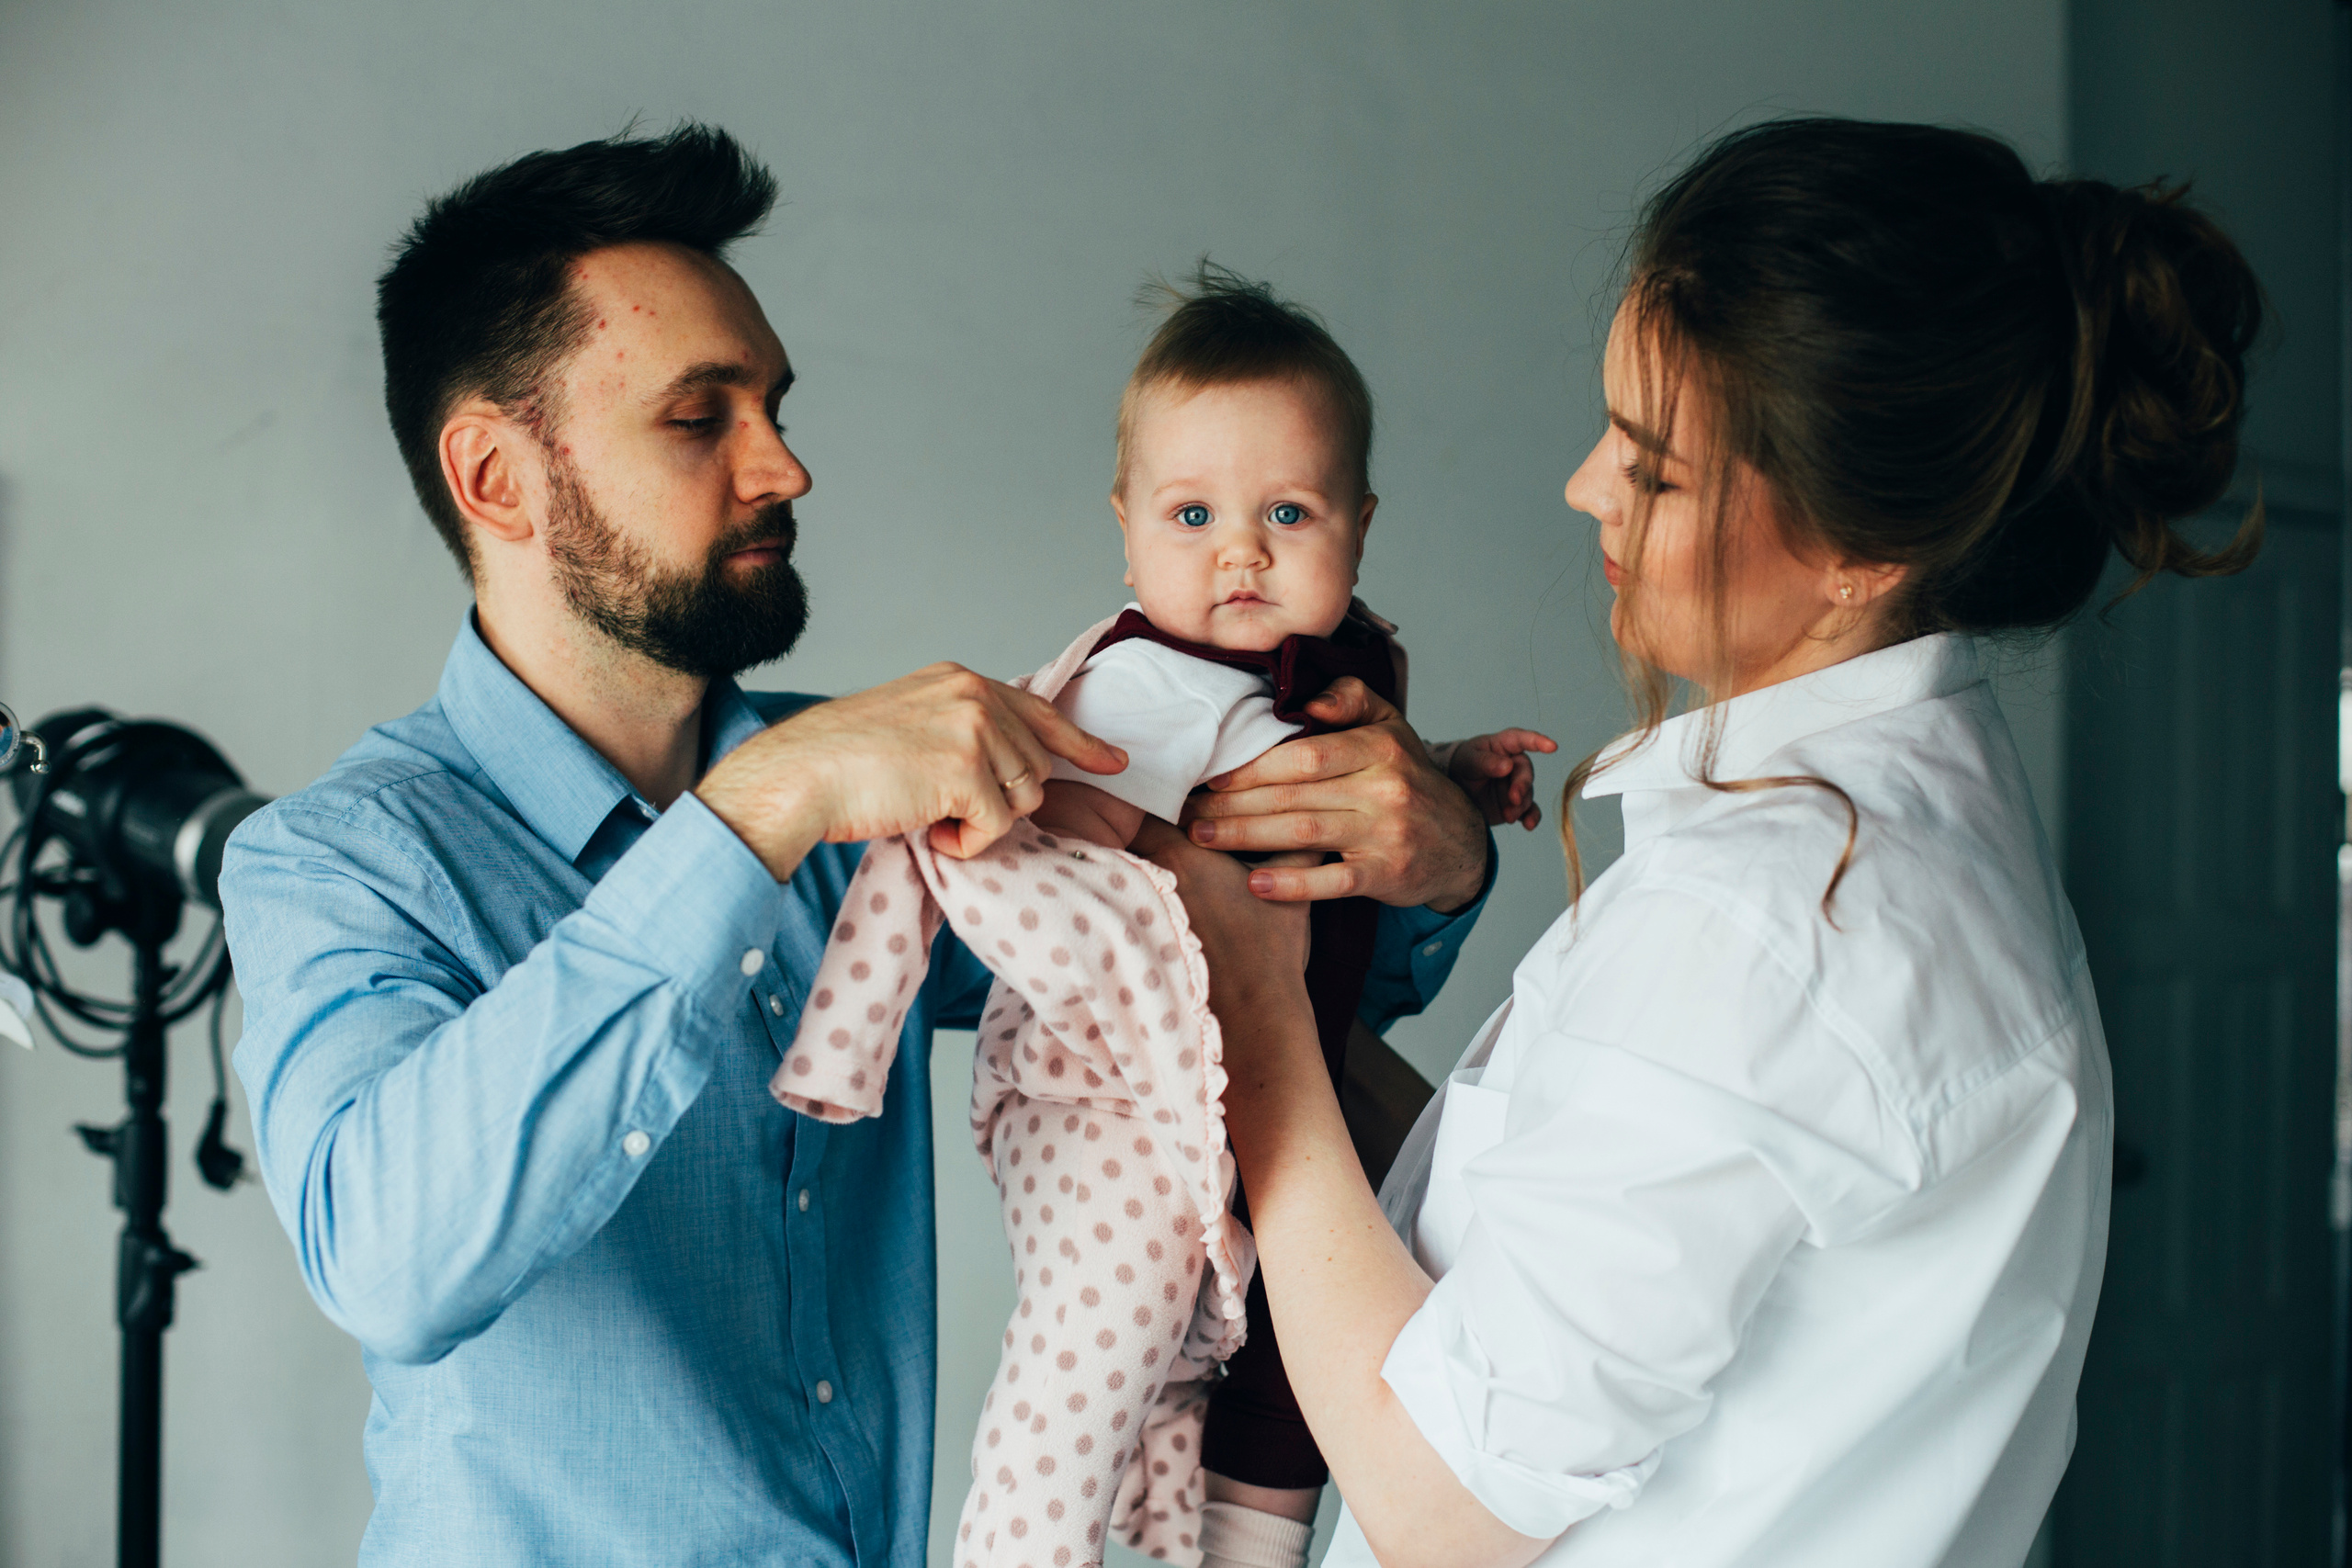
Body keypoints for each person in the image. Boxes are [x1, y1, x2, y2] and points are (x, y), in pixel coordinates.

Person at [217, 124, 1502, 1565]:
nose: (785, 467)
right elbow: (388, 1264)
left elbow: (1205, 1000)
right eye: (699, 419)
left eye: (773, 406)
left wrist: (1438, 867)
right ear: (496, 479)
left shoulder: (877, 789)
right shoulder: (337, 862)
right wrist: (748, 822)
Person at [1148, 116, 2266, 1568]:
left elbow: (1440, 1505)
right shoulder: (1921, 813)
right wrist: (1271, 1001)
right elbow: (1566, 1238)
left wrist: (1254, 1012)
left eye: (1654, 469)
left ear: (1863, 554)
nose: (1584, 489)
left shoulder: (1772, 920)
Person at [769, 265, 1555, 1568]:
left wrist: (1449, 778)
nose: (1241, 551)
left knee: (1306, 1357)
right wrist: (1107, 828)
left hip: (1261, 1088)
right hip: (1116, 1105)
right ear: (1126, 530)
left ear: (1359, 527)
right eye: (1192, 514)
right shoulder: (1138, 686)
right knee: (1083, 1375)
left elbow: (1344, 900)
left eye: (1288, 513)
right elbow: (1018, 834)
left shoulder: (1335, 669)